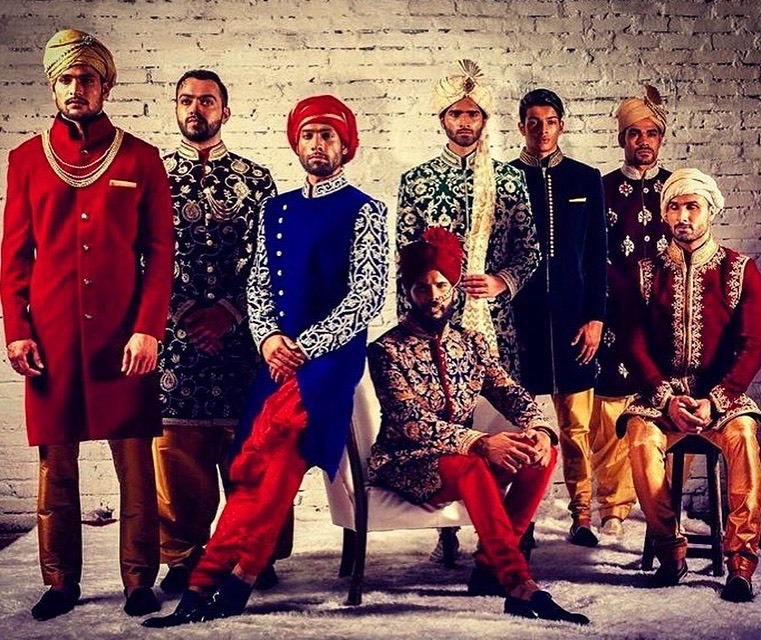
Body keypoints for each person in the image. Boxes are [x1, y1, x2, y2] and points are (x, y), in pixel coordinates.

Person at [144, 94, 389, 627]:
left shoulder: (365, 209)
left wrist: (305, 347)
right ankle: (211, 583)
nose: (317, 144)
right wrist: (268, 339)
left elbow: (367, 296)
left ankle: (233, 578)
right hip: (276, 356)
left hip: (329, 360)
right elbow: (259, 285)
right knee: (251, 468)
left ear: (346, 145)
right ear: (296, 144)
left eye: (327, 135)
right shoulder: (276, 209)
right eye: (308, 135)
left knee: (278, 462)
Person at [0, 29, 174, 620]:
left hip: (124, 338)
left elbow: (160, 255)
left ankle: (139, 581)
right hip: (49, 339)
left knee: (136, 463)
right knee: (56, 465)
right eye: (67, 79)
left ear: (105, 86)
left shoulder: (141, 158)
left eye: (88, 78)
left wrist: (149, 329)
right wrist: (17, 330)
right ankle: (60, 583)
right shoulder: (26, 160)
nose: (77, 88)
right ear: (54, 86)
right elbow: (14, 256)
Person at [367, 227, 588, 625]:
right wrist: (481, 442)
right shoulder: (386, 349)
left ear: (454, 288)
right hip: (406, 460)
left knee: (541, 455)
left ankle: (488, 565)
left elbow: (507, 390)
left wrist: (539, 429)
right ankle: (518, 582)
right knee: (473, 466)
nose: (433, 296)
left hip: (467, 454)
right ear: (408, 293)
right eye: (421, 288)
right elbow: (409, 420)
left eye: (441, 285)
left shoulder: (470, 342)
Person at [154, 69, 293, 595]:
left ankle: (254, 551)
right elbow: (139, 254)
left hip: (244, 341)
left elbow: (272, 258)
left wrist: (231, 314)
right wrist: (185, 312)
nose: (196, 109)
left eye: (207, 101)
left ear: (225, 112)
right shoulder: (154, 175)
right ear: (176, 108)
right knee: (177, 454)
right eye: (186, 100)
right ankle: (183, 556)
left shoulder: (255, 180)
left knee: (255, 450)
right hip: (177, 341)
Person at [618, 168, 761, 602]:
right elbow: (632, 344)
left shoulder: (740, 269)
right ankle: (670, 552)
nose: (683, 216)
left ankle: (741, 560)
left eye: (692, 207)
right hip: (661, 397)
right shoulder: (644, 272)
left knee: (743, 436)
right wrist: (667, 399)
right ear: (664, 214)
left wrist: (716, 401)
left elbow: (753, 344)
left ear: (710, 212)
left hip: (722, 397)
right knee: (640, 438)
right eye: (675, 207)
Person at [396, 59, 540, 379]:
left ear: (484, 120)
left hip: (494, 320)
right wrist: (407, 334)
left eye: (473, 114)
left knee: (500, 404)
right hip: (435, 321)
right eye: (456, 114)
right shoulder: (417, 181)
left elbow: (529, 250)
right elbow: (405, 263)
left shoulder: (509, 179)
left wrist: (502, 281)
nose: (464, 122)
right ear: (442, 119)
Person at [510, 89, 607, 547]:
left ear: (561, 126)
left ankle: (582, 515)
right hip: (522, 322)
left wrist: (596, 318)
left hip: (574, 322)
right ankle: (521, 521)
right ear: (521, 127)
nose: (542, 130)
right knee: (521, 427)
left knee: (576, 427)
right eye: (533, 122)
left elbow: (598, 256)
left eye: (550, 122)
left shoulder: (585, 178)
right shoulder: (506, 179)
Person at [592, 86, 672, 537]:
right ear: (622, 139)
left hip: (665, 317)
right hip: (614, 315)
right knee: (610, 411)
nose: (643, 142)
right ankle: (613, 506)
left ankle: (661, 505)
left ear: (661, 138)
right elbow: (592, 254)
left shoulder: (676, 189)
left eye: (651, 134)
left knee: (662, 404)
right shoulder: (602, 189)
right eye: (634, 134)